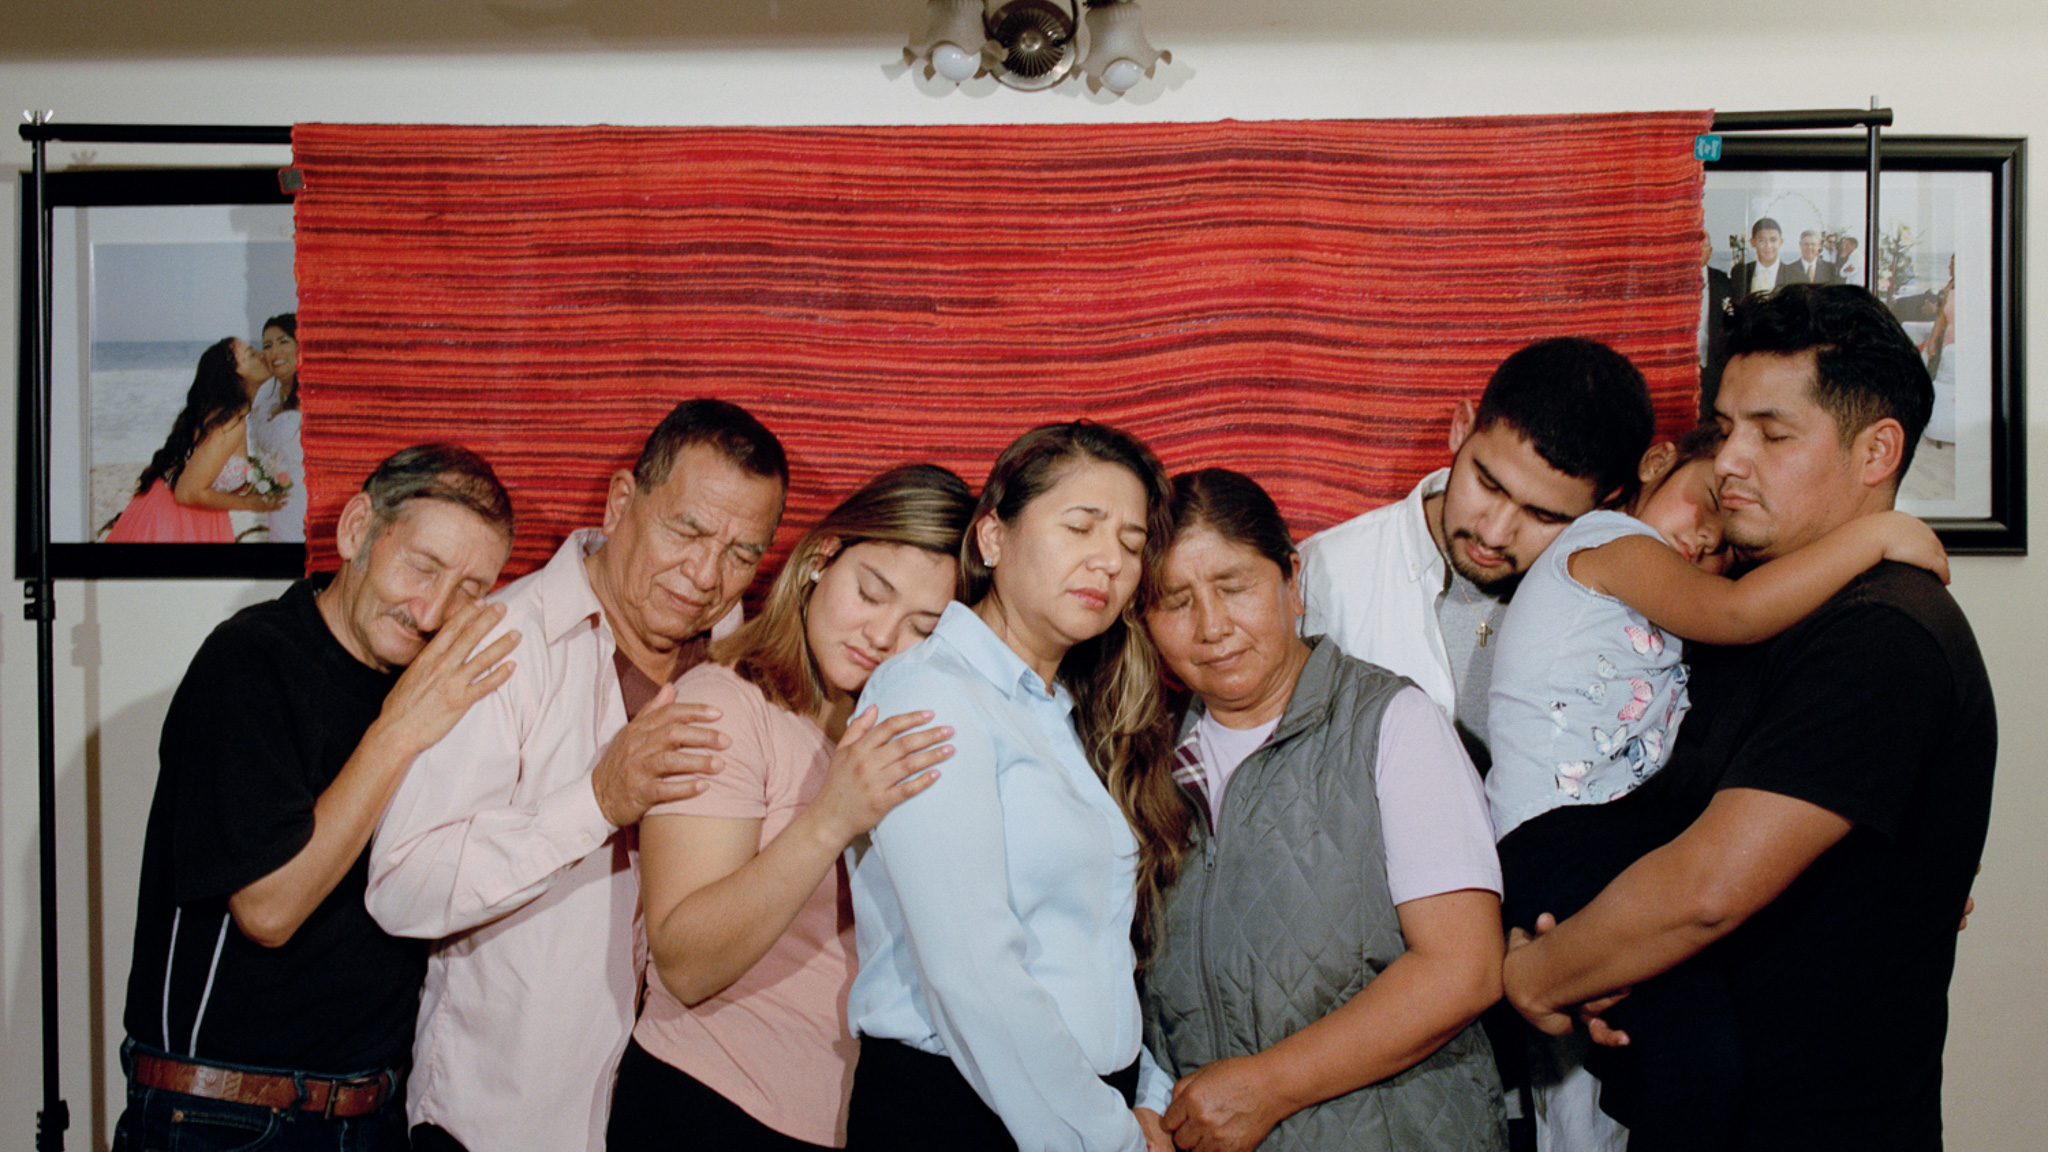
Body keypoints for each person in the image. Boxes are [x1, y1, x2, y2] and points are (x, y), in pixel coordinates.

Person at [1502, 283, 1996, 1151]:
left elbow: (1704, 892)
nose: (1730, 460)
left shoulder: (1883, 633)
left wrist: (1538, 976)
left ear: (1877, 451)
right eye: (1725, 428)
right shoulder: (1746, 610)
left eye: (1772, 433)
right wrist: (1594, 950)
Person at [367, 398, 788, 1152]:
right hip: (504, 1125)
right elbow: (402, 888)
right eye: (687, 531)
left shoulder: (753, 666)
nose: (706, 575)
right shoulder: (502, 641)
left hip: (679, 1118)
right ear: (622, 502)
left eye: (741, 553)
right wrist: (595, 802)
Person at [114, 444, 518, 1152]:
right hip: (227, 1118)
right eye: (421, 567)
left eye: (469, 589)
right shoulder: (249, 661)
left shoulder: (431, 684)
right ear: (358, 528)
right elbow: (268, 910)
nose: (431, 612)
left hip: (376, 1109)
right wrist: (400, 731)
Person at [1136, 468, 1508, 1152]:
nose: (1212, 626)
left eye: (1234, 587)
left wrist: (1267, 1087)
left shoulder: (1391, 723)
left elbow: (1465, 968)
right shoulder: (1147, 764)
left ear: (1293, 580)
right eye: (1175, 602)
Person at [611, 463, 973, 1151]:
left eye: (921, 627)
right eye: (870, 593)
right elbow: (685, 963)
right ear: (820, 559)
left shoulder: (907, 740)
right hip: (707, 1104)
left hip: (848, 1119)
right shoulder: (725, 705)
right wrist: (832, 817)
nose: (882, 636)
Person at [842, 421, 1173, 1152]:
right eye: (1080, 526)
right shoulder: (929, 694)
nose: (1109, 561)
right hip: (958, 1114)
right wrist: (1108, 1139)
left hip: (1076, 1111)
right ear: (993, 537)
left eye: (1131, 543)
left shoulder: (1060, 712)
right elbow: (971, 974)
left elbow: (1085, 952)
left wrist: (1140, 1091)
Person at [1299, 336, 1654, 769]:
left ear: (1607, 502)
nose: (1495, 533)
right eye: (1487, 484)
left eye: (1543, 515)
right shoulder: (1324, 577)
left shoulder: (1625, 605)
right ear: (1461, 427)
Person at [105, 336, 283, 543]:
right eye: (251, 354)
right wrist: (249, 504)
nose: (262, 355)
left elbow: (211, 475)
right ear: (234, 375)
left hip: (197, 516)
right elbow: (186, 492)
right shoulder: (228, 423)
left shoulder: (233, 416)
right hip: (173, 518)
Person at [250, 311, 308, 542]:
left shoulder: (313, 396)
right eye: (267, 345)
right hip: (277, 510)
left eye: (283, 342)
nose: (274, 352)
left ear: (300, 345)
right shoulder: (267, 397)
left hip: (305, 509)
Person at [1727, 217, 1786, 297]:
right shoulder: (1740, 273)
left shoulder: (1793, 274)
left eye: (1773, 240)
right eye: (1762, 240)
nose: (1768, 246)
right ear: (1752, 242)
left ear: (1781, 242)